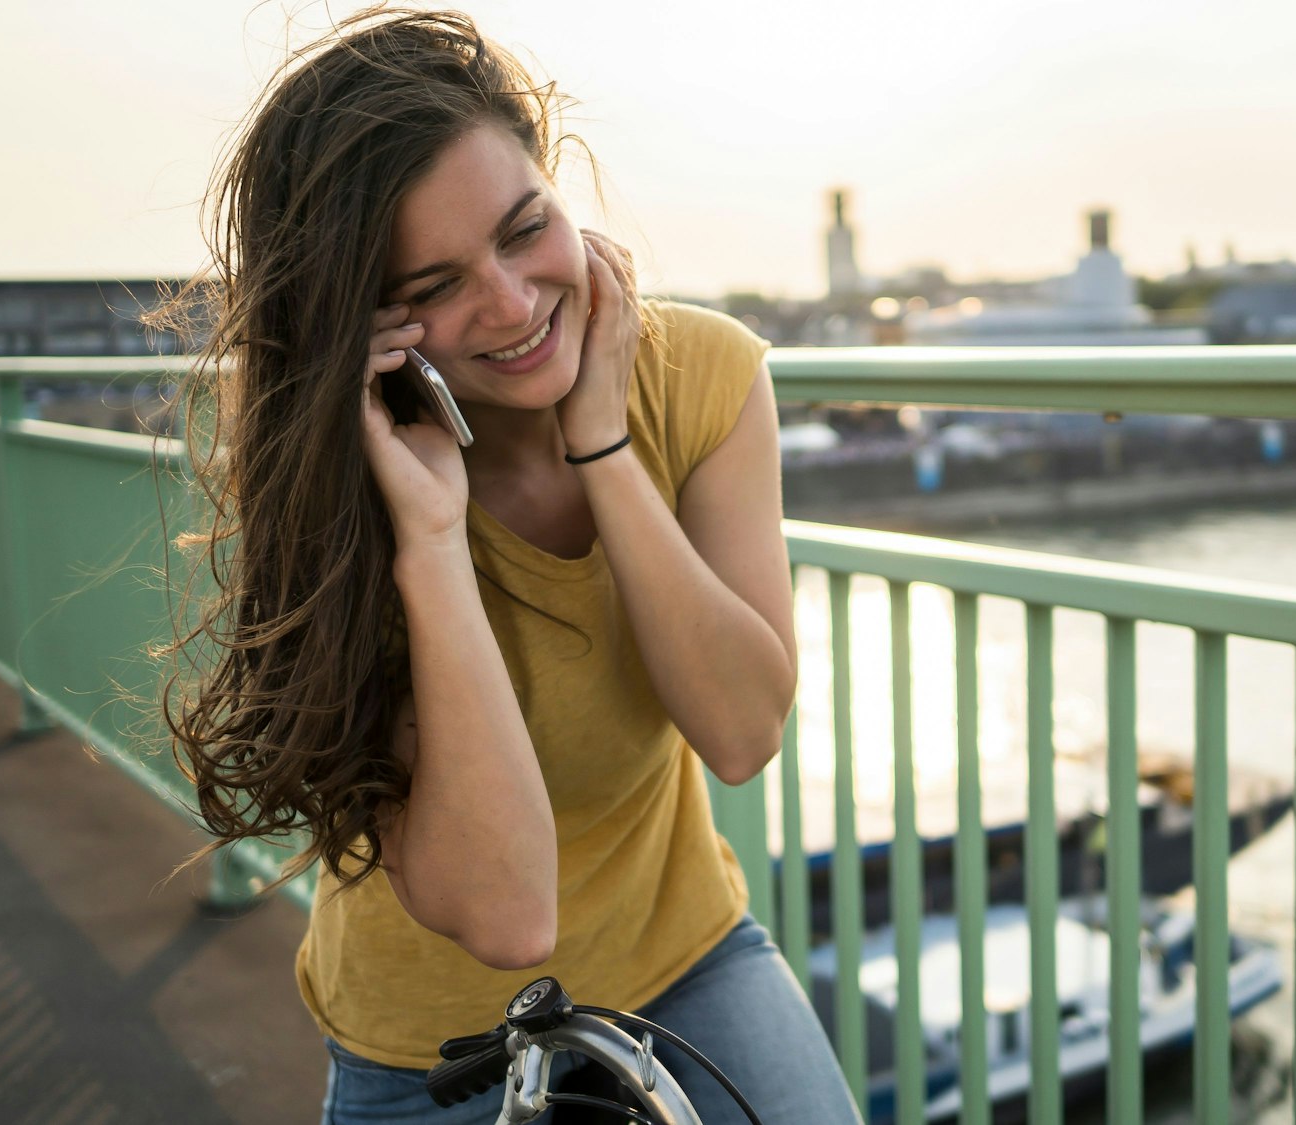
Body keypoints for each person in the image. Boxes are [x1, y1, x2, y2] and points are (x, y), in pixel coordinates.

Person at [155, 8, 860, 1123]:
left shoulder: (702, 375)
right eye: (432, 287)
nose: (513, 304)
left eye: (525, 229)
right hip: (430, 1038)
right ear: (365, 324)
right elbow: (506, 917)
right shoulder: (345, 485)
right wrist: (429, 539)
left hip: (683, 954)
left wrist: (605, 446)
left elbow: (739, 734)